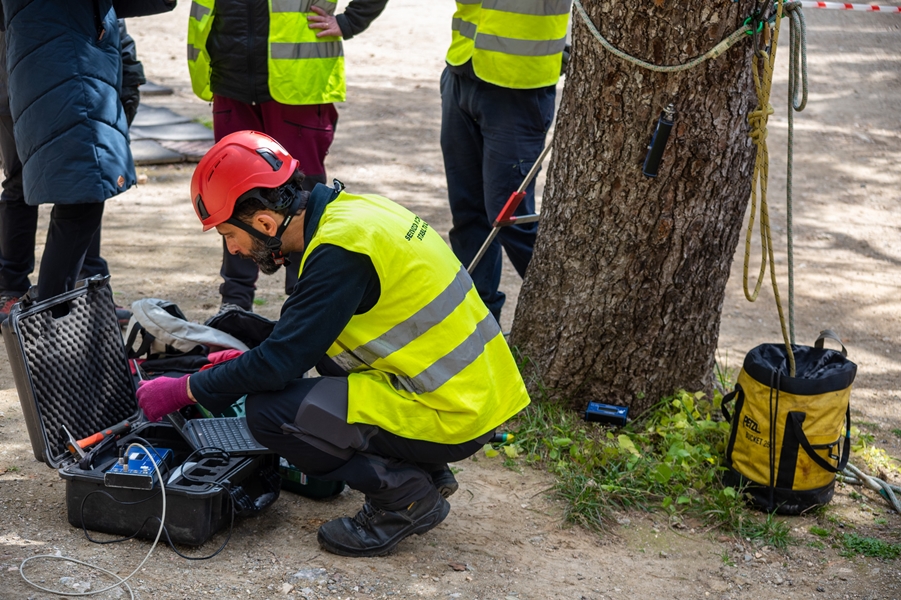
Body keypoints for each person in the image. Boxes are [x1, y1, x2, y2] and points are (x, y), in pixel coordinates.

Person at [136, 131, 530, 557]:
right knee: (320, 368)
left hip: (454, 413)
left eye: (230, 235)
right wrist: (255, 357)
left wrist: (183, 389)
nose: (234, 248)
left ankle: (403, 498)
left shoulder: (339, 252)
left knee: (269, 414)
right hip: (475, 393)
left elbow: (278, 366)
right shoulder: (353, 215)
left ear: (265, 223)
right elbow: (305, 341)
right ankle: (425, 469)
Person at [186, 0, 388, 313]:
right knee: (229, 196)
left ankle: (303, 304)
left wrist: (350, 22)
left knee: (302, 196)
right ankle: (234, 306)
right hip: (228, 76)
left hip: (298, 82)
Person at [0, 0, 174, 312]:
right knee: (78, 200)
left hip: (63, 67)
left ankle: (60, 309)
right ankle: (50, 316)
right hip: (64, 74)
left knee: (82, 199)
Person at [440, 0, 572, 323]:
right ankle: (478, 326)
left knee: (510, 217)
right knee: (468, 214)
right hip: (462, 70)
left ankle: (572, 317)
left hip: (519, 86)